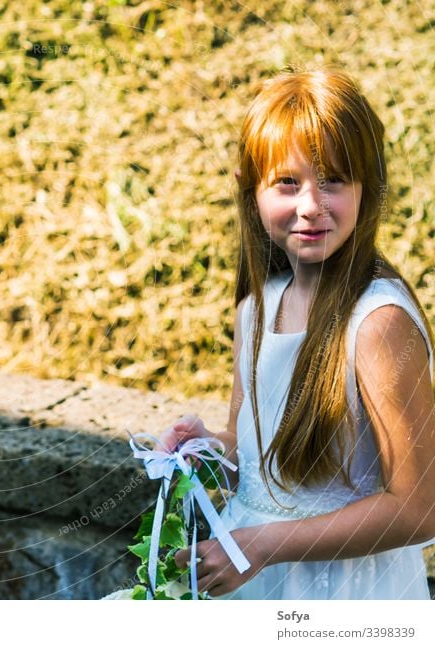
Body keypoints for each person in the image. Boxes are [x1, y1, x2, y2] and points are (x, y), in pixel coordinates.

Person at [160, 68, 435, 599]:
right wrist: (209, 450)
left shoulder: (377, 324)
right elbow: (260, 462)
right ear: (253, 191)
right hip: (259, 581)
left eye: (333, 179)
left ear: (366, 189)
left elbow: (420, 508)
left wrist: (263, 545)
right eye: (288, 182)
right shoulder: (255, 312)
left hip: (347, 591)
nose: (311, 205)